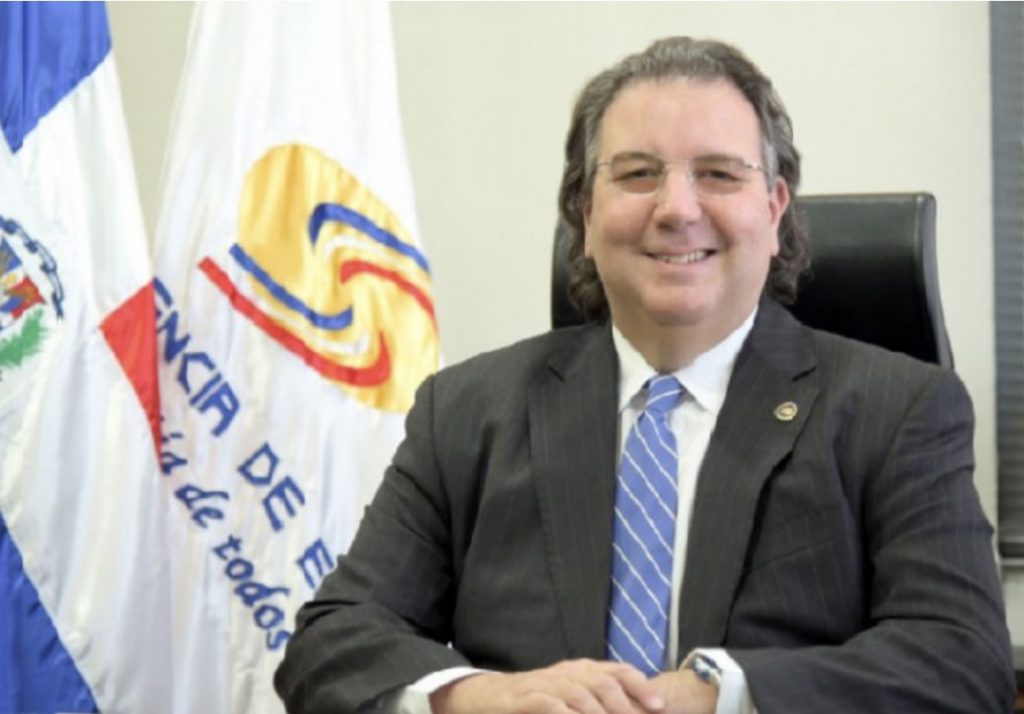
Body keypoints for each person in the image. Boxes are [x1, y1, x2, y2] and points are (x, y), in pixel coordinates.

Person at [274, 37, 1015, 714]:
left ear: (774, 209)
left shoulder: (896, 408)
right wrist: (474, 698)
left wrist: (723, 696)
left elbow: (961, 660)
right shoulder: (468, 411)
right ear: (585, 214)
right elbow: (331, 644)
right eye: (636, 175)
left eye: (718, 174)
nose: (676, 208)